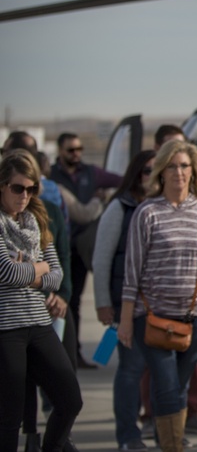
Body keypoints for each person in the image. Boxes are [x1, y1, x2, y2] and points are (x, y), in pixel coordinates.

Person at [118, 139, 197, 452]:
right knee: (165, 386)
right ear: (161, 173)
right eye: (172, 166)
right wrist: (125, 320)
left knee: (179, 388)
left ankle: (169, 440)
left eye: (185, 166)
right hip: (152, 317)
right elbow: (131, 273)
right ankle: (173, 446)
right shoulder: (147, 213)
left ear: (194, 172)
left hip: (196, 317)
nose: (179, 172)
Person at [0, 150, 82, 451]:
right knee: (9, 416)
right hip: (6, 326)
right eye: (17, 188)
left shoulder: (36, 220)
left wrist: (30, 271)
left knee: (70, 399)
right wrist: (37, 268)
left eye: (31, 188)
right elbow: (6, 271)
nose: (25, 195)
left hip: (39, 321)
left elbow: (56, 275)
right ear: (2, 186)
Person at [91, 149, 156, 451]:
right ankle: (128, 435)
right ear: (135, 173)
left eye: (158, 171)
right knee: (131, 369)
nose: (152, 177)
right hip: (125, 305)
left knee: (162, 372)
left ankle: (162, 428)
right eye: (146, 171)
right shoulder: (120, 207)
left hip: (161, 306)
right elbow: (102, 259)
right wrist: (103, 303)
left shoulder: (166, 206)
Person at [50, 131, 122, 367]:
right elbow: (80, 213)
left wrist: (108, 197)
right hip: (58, 250)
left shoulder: (91, 173)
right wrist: (96, 201)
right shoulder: (52, 177)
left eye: (79, 149)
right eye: (71, 150)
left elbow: (122, 181)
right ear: (60, 151)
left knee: (74, 303)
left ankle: (74, 354)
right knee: (57, 303)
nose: (76, 154)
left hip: (82, 251)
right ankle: (57, 355)